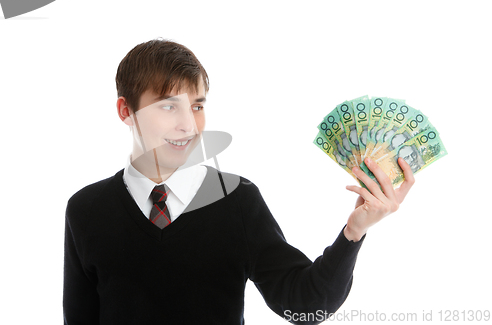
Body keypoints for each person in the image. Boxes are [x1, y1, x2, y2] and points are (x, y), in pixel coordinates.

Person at [63, 38, 415, 325]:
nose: (189, 126)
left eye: (197, 106)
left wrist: (353, 233)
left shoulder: (237, 200)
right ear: (126, 111)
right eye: (169, 107)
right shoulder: (86, 210)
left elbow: (306, 306)